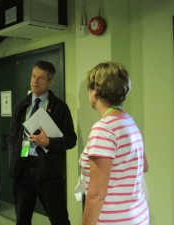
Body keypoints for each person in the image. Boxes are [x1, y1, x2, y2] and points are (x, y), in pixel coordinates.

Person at [80, 62, 149, 225]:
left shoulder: (103, 129)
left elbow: (96, 195)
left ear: (94, 91)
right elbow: (144, 166)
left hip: (113, 220)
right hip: (137, 215)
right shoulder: (128, 121)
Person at [9, 60, 77, 225]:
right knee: (22, 220)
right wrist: (14, 162)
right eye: (33, 76)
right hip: (23, 169)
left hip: (48, 172)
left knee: (59, 219)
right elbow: (13, 136)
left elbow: (71, 140)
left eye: (40, 78)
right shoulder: (21, 106)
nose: (35, 81)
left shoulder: (60, 107)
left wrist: (48, 142)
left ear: (50, 82)